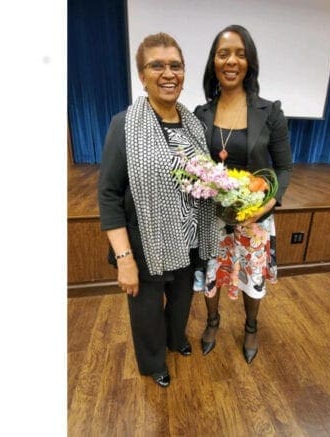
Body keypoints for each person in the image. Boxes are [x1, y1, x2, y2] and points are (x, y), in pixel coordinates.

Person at [98, 32, 220, 387]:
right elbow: (108, 195)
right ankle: (154, 362)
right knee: (147, 312)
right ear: (142, 75)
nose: (168, 73)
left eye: (175, 65)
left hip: (188, 240)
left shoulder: (195, 125)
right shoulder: (124, 125)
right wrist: (124, 260)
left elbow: (204, 180)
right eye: (157, 66)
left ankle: (174, 339)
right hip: (145, 243)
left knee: (181, 303)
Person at [193, 24, 292, 364]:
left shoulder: (270, 112)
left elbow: (284, 169)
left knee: (252, 277)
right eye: (223, 54)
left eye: (240, 53)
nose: (231, 61)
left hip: (254, 216)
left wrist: (266, 206)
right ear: (214, 62)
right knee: (211, 273)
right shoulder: (201, 114)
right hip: (212, 216)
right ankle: (213, 321)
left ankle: (251, 326)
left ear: (249, 62)